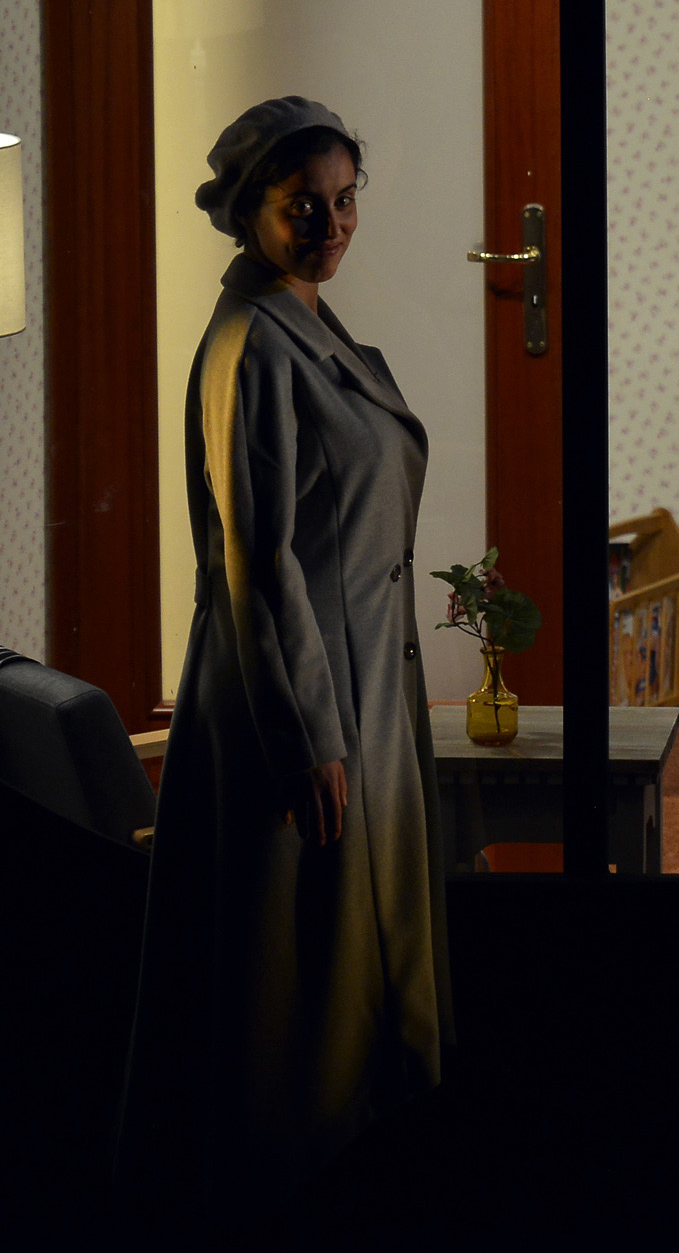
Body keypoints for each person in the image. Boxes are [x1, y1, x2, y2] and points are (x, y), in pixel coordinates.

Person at [121, 98, 450, 1195]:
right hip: (305, 686)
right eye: (303, 204)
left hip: (357, 671)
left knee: (338, 948)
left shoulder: (309, 320)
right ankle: (289, 1188)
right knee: (296, 966)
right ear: (249, 209)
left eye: (346, 199)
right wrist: (311, 734)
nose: (332, 223)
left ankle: (360, 1157)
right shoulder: (255, 343)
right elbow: (259, 563)